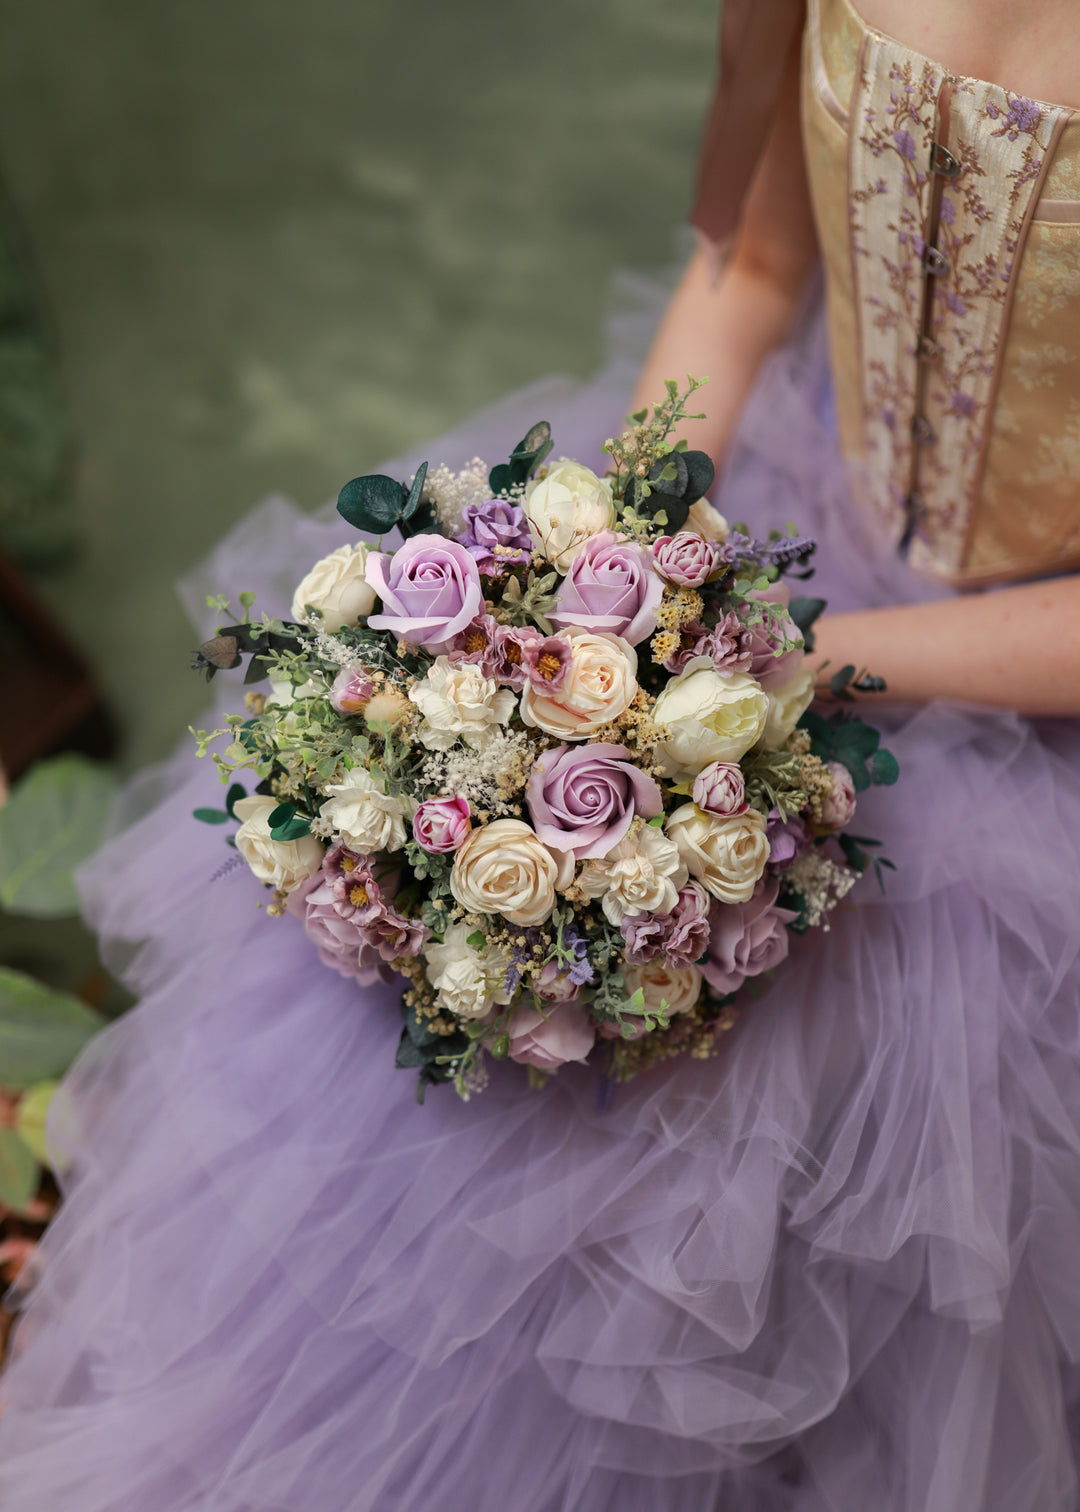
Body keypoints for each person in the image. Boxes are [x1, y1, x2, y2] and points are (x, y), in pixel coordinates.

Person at [2, 1, 1080, 1508]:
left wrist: (799, 662)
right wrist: (619, 580)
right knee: (447, 1113)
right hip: (776, 544)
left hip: (1018, 687)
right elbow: (752, 263)